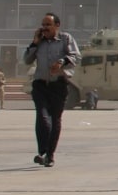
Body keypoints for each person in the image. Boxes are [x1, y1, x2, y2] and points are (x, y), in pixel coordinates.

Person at [23, 13, 81, 167]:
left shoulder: (65, 39)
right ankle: (42, 151)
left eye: (48, 24)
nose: (45, 28)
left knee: (55, 120)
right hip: (40, 85)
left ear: (57, 25)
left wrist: (61, 62)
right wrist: (34, 43)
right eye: (43, 24)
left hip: (58, 85)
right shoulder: (39, 42)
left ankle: (49, 155)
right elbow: (26, 60)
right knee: (42, 116)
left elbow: (76, 57)